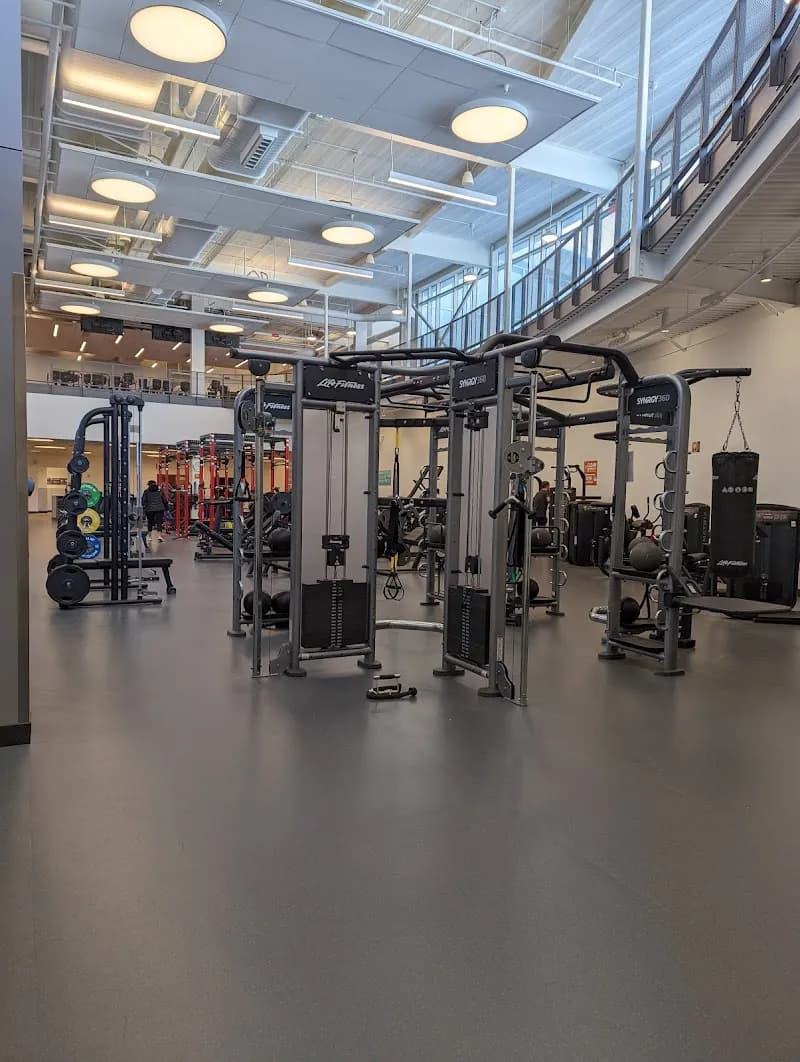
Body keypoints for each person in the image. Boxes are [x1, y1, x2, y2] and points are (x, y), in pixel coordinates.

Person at [142, 480, 167, 544]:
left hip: (149, 509)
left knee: (150, 522)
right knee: (159, 522)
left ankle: (150, 536)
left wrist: (144, 507)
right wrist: (166, 508)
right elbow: (164, 500)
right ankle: (159, 536)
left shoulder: (146, 492)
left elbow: (143, 501)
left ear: (149, 485)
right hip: (159, 508)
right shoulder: (160, 491)